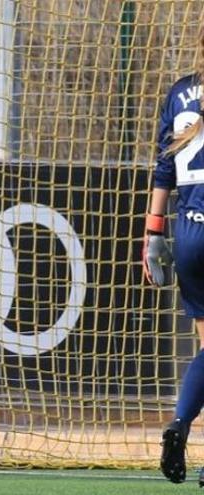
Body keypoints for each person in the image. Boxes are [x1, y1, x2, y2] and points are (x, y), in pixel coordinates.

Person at [146, 29, 204, 484]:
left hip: (187, 230)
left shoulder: (181, 90)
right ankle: (182, 425)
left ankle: (180, 425)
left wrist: (152, 234)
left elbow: (165, 166)